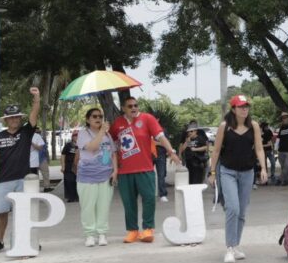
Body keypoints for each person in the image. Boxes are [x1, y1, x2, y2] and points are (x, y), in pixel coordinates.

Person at [109, 97, 182, 243]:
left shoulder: (147, 119)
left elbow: (161, 137)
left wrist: (172, 152)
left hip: (145, 168)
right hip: (125, 171)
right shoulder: (117, 124)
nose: (134, 108)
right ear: (123, 108)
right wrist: (114, 169)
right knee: (129, 203)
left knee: (149, 198)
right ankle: (132, 231)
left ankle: (148, 229)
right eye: (130, 106)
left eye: (136, 105)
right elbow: (113, 148)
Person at [0, 88, 42, 255]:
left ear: (20, 118)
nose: (14, 119)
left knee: (25, 212)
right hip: (2, 181)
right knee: (1, 213)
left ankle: (30, 240)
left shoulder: (26, 132)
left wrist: (36, 98)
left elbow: (34, 114)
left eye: (17, 117)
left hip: (23, 180)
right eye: (11, 117)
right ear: (6, 120)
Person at [208, 95, 267, 263]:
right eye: (241, 106)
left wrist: (263, 168)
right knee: (232, 208)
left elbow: (259, 149)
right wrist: (212, 173)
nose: (244, 109)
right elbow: (216, 151)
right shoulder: (224, 127)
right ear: (233, 109)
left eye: (246, 106)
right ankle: (229, 248)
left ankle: (236, 246)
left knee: (241, 211)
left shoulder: (254, 126)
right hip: (227, 172)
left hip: (247, 173)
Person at [76, 107, 118, 246]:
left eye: (100, 116)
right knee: (88, 206)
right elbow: (92, 147)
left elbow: (112, 153)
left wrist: (115, 170)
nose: (98, 118)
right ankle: (89, 234)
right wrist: (101, 132)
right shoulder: (83, 134)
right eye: (94, 116)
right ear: (88, 119)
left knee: (103, 206)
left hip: (105, 175)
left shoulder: (107, 135)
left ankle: (102, 233)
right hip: (87, 176)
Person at [177, 121, 209, 187]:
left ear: (195, 131)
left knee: (197, 181)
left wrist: (196, 149)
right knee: (190, 180)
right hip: (189, 162)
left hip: (198, 162)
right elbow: (182, 149)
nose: (189, 133)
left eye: (191, 131)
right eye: (188, 132)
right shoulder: (187, 139)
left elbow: (206, 147)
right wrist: (186, 142)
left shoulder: (200, 138)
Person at [61, 130, 79, 203]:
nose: (76, 137)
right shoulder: (68, 145)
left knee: (78, 182)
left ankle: (78, 197)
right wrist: (63, 166)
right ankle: (70, 197)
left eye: (77, 135)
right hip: (69, 166)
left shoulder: (82, 144)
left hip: (79, 166)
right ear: (72, 137)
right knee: (69, 181)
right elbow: (63, 155)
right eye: (75, 135)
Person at [260, 120, 275, 185]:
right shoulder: (259, 133)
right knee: (264, 165)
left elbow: (271, 142)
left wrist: (272, 146)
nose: (267, 127)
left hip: (269, 150)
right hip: (263, 151)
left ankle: (272, 175)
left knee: (273, 162)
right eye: (265, 126)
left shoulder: (269, 132)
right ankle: (265, 179)